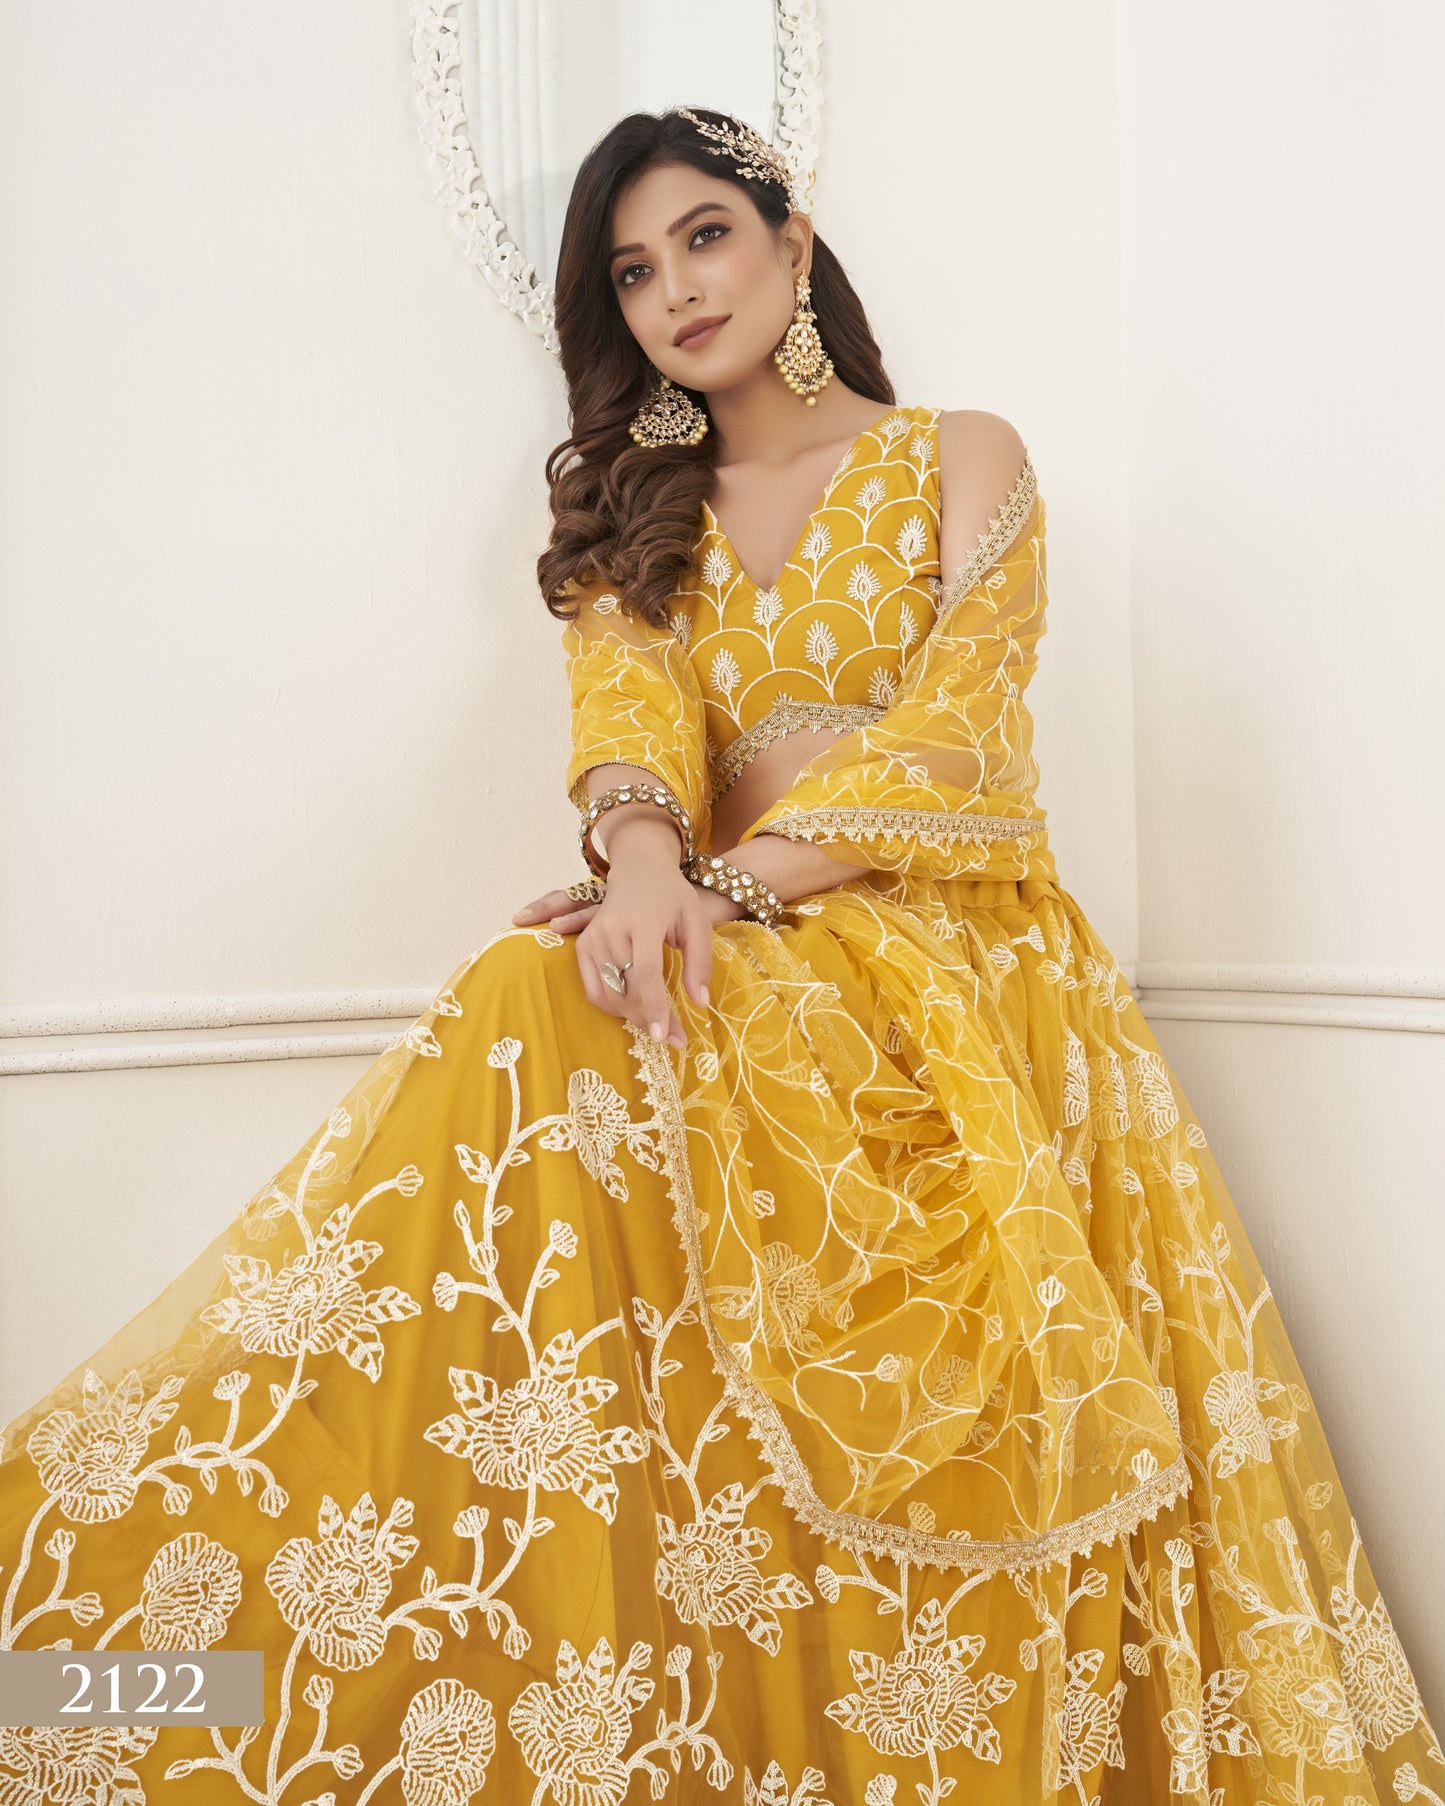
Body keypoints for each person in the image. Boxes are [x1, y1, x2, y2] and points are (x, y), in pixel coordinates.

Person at [0, 104, 1438, 1806]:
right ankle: (108, 1666)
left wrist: (728, 884)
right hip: (721, 941)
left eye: (702, 238)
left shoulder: (959, 454)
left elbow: (956, 742)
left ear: (789, 242)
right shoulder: (639, 511)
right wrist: (633, 872)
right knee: (524, 999)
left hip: (951, 966)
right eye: (630, 271)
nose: (672, 288)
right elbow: (624, 725)